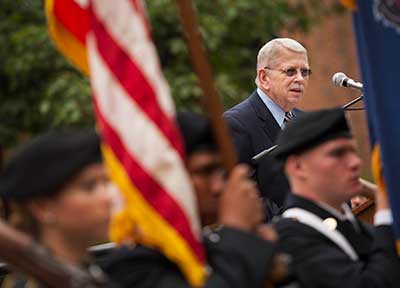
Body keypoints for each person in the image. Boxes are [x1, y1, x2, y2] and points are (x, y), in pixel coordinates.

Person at [101, 112, 286, 288]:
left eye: (221, 172)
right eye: (204, 172)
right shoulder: (132, 266)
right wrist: (238, 234)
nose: (218, 187)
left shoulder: (211, 246)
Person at [270, 108, 400, 287]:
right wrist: (385, 215)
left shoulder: (348, 222)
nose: (355, 162)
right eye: (338, 153)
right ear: (298, 167)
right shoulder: (292, 236)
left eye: (353, 151)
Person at [0, 130, 113, 287]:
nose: (109, 196)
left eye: (107, 182)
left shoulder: (88, 274)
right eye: (89, 186)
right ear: (42, 207)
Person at [223, 38, 311, 219]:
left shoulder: (305, 121)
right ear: (264, 78)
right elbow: (244, 200)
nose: (300, 79)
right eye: (290, 71)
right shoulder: (236, 124)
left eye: (305, 72)